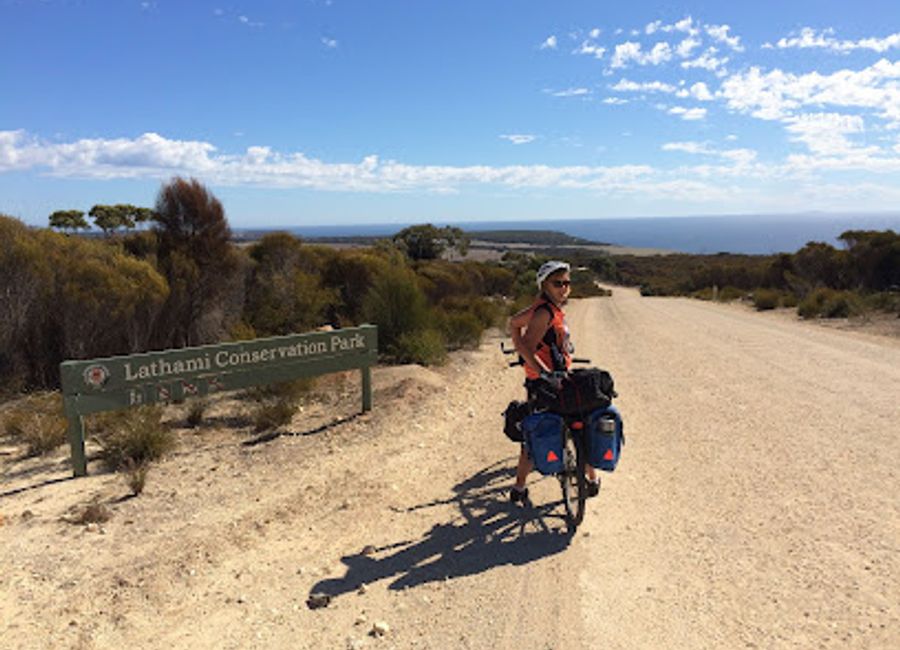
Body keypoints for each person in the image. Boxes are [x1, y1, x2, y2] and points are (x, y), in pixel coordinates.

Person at [507, 260, 600, 503]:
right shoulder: (544, 312)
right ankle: (520, 486)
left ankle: (589, 477)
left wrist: (520, 348)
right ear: (544, 285)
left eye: (567, 283)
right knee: (539, 428)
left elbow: (513, 324)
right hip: (544, 382)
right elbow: (527, 345)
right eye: (557, 283)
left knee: (570, 419)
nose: (564, 288)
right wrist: (541, 371)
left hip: (558, 378)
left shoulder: (549, 308)